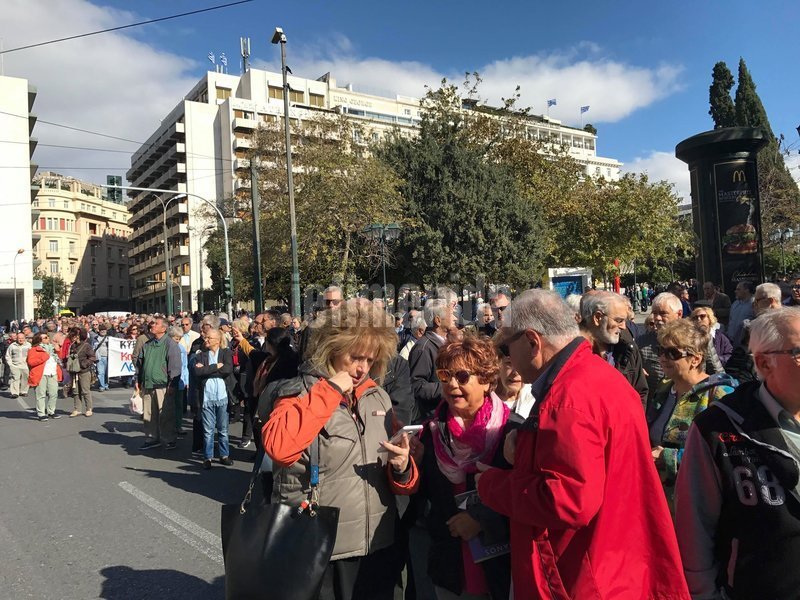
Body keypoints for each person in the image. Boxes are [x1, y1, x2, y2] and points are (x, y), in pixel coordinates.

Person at [476, 289, 689, 599]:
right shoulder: (599, 376)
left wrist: (492, 484)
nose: (506, 359)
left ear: (532, 342)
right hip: (620, 561)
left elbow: (568, 501)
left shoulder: (568, 396)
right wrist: (523, 446)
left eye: (506, 348)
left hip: (588, 575)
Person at [261, 299, 418, 600]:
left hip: (378, 544)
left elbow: (399, 476)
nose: (361, 368)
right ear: (333, 347)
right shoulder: (298, 392)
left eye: (370, 360)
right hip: (320, 548)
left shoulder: (379, 397)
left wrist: (403, 467)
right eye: (355, 357)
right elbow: (279, 447)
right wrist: (331, 390)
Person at [675, 307, 800, 599]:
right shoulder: (717, 427)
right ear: (764, 363)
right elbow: (694, 527)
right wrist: (705, 593)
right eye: (798, 351)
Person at [417, 335, 518, 599]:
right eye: (444, 375)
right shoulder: (430, 430)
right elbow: (420, 500)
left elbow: (527, 495)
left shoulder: (512, 430)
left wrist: (482, 520)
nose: (452, 384)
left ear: (486, 381)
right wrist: (406, 467)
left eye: (462, 376)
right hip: (450, 565)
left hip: (502, 564)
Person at [646, 319, 736, 507]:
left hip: (699, 505)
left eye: (672, 353)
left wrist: (668, 458)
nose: (662, 358)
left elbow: (726, 454)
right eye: (660, 350)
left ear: (696, 359)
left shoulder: (721, 394)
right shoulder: (664, 390)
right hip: (661, 500)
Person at [580, 292, 649, 407]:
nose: (623, 326)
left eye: (625, 321)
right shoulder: (575, 352)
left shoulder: (628, 347)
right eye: (618, 320)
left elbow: (640, 392)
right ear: (597, 318)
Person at [136, 317, 182, 451]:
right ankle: (152, 438)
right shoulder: (148, 344)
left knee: (165, 414)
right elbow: (140, 364)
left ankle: (169, 439)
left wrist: (172, 385)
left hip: (163, 385)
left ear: (164, 328)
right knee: (149, 414)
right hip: (148, 384)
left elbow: (175, 367)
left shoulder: (170, 344)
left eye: (156, 324)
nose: (152, 325)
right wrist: (138, 380)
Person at [409, 298, 456, 423]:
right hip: (433, 420)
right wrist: (447, 388)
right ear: (438, 320)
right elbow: (417, 385)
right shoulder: (423, 348)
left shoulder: (448, 343)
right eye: (451, 315)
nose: (455, 318)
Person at [193, 328, 234, 469]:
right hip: (207, 396)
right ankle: (208, 457)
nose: (206, 340)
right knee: (208, 429)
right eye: (206, 338)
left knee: (223, 429)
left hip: (222, 395)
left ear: (217, 340)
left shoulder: (226, 353)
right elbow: (197, 372)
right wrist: (215, 367)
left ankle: (224, 455)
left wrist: (207, 370)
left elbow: (227, 370)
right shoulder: (201, 355)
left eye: (209, 338)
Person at [494, 339, 535, 418]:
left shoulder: (534, 397)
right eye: (509, 363)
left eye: (522, 363)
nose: (516, 372)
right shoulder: (484, 399)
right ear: (497, 364)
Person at [27, 332, 63, 421]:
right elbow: (31, 362)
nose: (48, 339)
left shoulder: (52, 348)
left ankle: (51, 411)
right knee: (41, 395)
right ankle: (41, 413)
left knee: (53, 393)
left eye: (47, 337)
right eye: (45, 338)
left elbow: (61, 357)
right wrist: (44, 357)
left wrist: (58, 351)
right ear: (39, 340)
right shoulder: (34, 349)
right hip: (41, 374)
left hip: (53, 373)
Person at [67, 328, 95, 417]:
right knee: (75, 391)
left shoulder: (87, 346)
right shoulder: (72, 346)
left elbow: (92, 357)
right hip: (74, 371)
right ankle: (77, 409)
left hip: (84, 371)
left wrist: (83, 364)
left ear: (78, 336)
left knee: (85, 390)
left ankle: (89, 409)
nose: (72, 337)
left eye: (74, 335)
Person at [168, 326, 189, 436]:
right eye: (176, 338)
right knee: (169, 405)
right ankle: (170, 426)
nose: (178, 341)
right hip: (170, 380)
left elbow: (185, 366)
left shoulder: (181, 349)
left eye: (179, 338)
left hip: (180, 380)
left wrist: (186, 380)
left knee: (179, 405)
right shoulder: (167, 348)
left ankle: (178, 425)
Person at [728, 280, 755, 347]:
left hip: (745, 346)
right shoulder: (735, 304)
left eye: (738, 289)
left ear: (746, 290)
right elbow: (730, 320)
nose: (735, 291)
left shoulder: (755, 304)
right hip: (730, 342)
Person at [7, 332, 31, 399]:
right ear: (17, 338)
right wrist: (10, 364)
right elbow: (8, 355)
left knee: (25, 379)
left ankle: (23, 391)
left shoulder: (28, 345)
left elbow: (32, 355)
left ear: (25, 338)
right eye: (19, 338)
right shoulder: (12, 346)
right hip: (15, 365)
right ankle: (15, 393)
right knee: (15, 378)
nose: (21, 340)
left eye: (22, 338)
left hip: (25, 365)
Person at [93, 324, 110, 392]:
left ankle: (106, 384)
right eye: (101, 330)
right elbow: (93, 347)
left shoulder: (109, 338)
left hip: (108, 357)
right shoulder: (95, 338)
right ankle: (102, 386)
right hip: (99, 357)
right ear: (99, 331)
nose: (103, 331)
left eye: (104, 330)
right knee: (100, 372)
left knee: (106, 372)